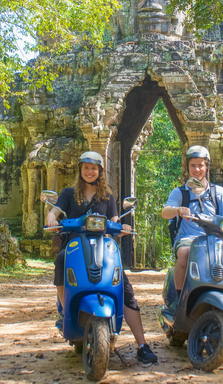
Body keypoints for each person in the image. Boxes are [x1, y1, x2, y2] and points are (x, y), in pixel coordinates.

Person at [46, 151, 158, 364]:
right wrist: (52, 218)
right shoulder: (69, 193)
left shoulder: (107, 196)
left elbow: (114, 220)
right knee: (61, 260)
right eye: (86, 167)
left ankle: (142, 344)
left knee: (124, 289)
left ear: (100, 171)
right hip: (74, 247)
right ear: (80, 170)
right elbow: (54, 212)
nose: (90, 171)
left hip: (102, 248)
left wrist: (122, 226)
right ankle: (65, 310)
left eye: (94, 168)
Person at [161, 145, 223, 356]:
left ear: (207, 167)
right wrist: (178, 210)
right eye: (193, 166)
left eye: (200, 166)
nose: (197, 170)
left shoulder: (218, 192)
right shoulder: (180, 193)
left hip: (216, 241)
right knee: (184, 254)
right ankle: (179, 300)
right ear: (187, 168)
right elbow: (165, 212)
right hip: (188, 239)